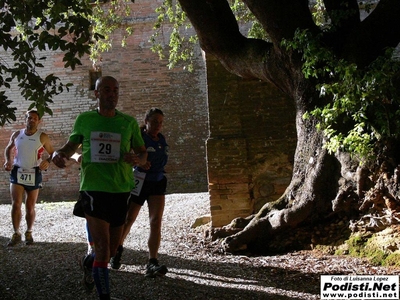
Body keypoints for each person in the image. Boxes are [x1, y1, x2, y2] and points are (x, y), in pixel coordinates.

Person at [51, 76, 147, 300]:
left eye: (115, 90)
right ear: (97, 93)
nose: (112, 94)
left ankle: (89, 262)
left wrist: (137, 159)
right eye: (106, 90)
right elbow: (70, 146)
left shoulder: (129, 122)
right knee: (103, 247)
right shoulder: (85, 120)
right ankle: (104, 296)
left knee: (111, 250)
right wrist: (60, 154)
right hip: (93, 188)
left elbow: (143, 154)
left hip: (121, 189)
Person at [110, 108, 169, 278]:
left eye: (161, 122)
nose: (158, 125)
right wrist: (140, 162)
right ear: (147, 120)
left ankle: (152, 261)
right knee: (129, 219)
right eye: (155, 121)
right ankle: (117, 248)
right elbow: (129, 156)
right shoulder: (140, 137)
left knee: (156, 221)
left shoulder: (162, 139)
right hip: (139, 181)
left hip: (157, 183)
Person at [3, 109, 55, 246]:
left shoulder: (42, 136)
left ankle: (29, 232)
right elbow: (9, 148)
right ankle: (16, 233)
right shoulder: (17, 134)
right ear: (25, 119)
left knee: (30, 206)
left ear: (38, 121)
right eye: (29, 118)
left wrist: (47, 162)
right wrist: (8, 160)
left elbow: (53, 153)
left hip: (34, 172)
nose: (31, 120)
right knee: (16, 204)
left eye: (34, 118)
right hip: (17, 171)